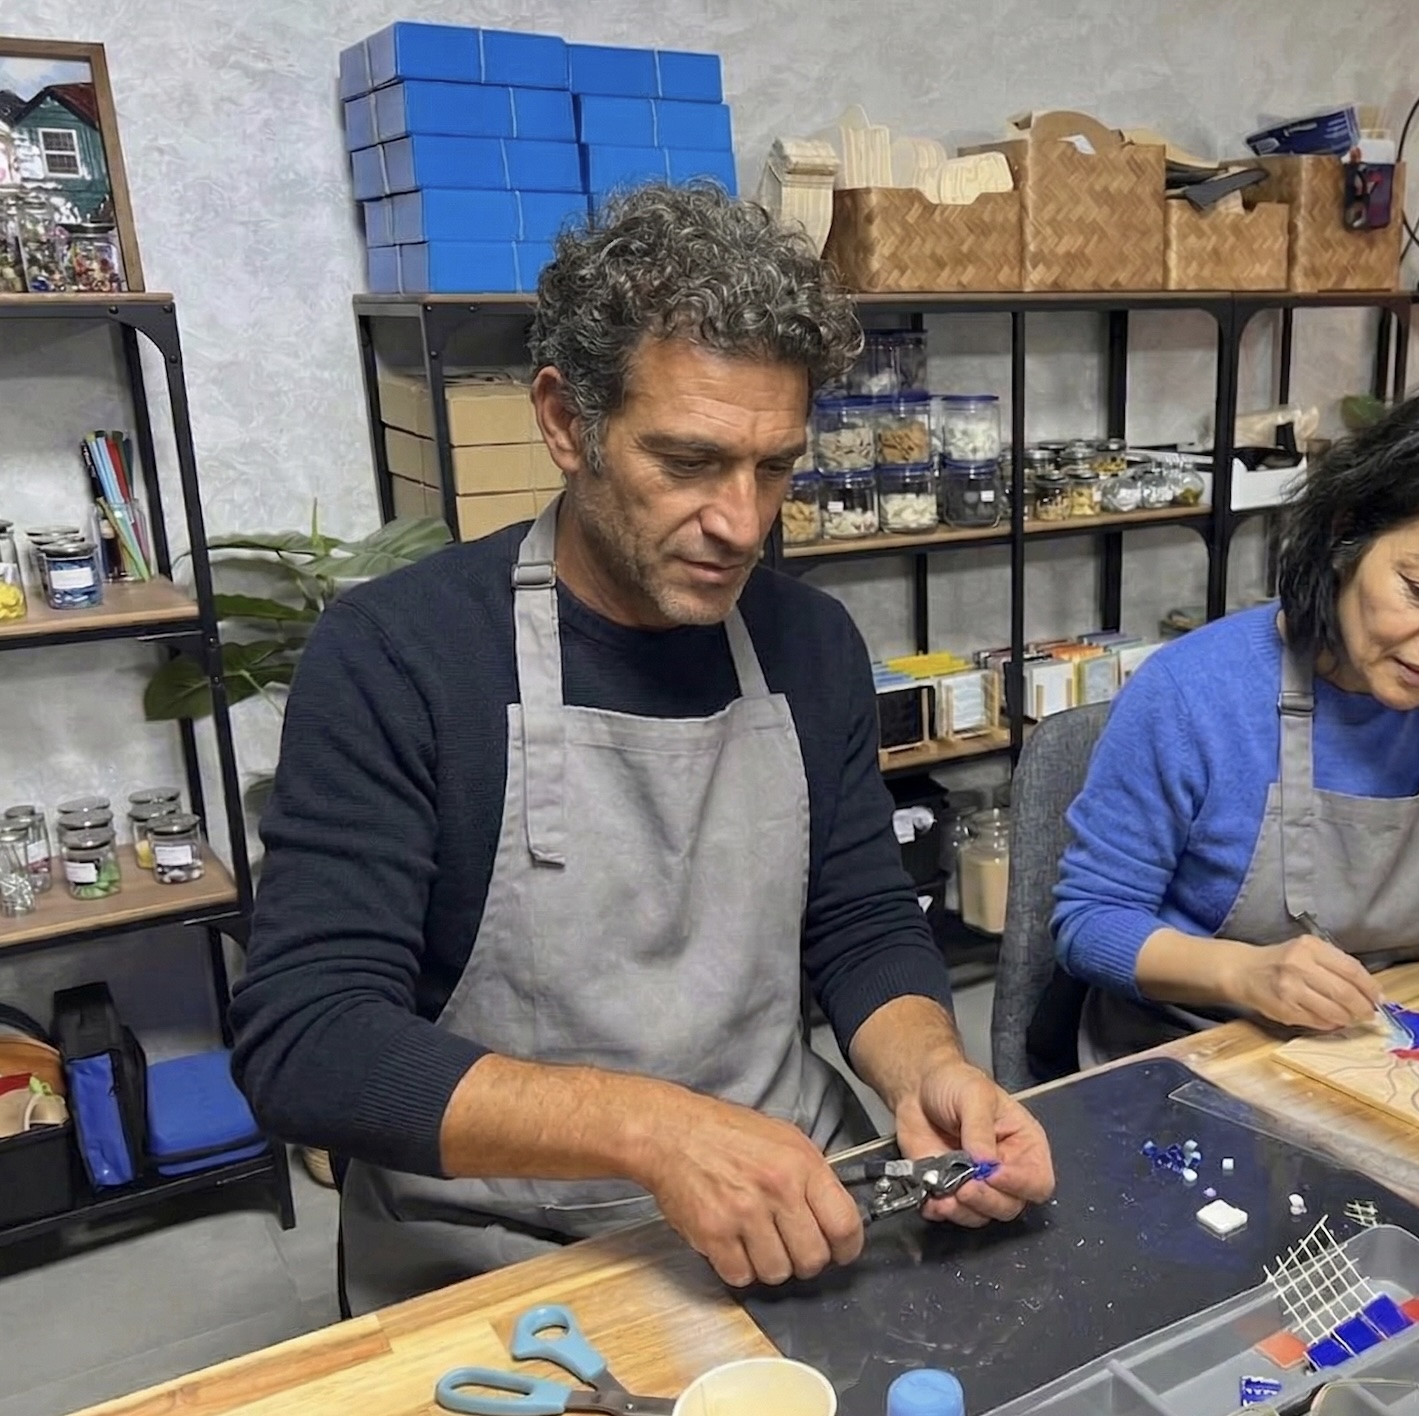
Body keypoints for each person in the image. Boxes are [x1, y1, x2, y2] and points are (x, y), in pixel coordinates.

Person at [230, 183, 1054, 1313]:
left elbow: (859, 919)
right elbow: (309, 1041)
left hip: (795, 1199)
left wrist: (930, 1069)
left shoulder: (808, 643)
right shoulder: (401, 656)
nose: (742, 523)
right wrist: (656, 1132)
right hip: (500, 1243)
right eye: (688, 461)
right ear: (566, 423)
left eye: (775, 466)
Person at [1052, 382, 1419, 1064]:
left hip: (1388, 1040)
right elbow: (1090, 922)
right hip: (1194, 1047)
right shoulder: (1190, 695)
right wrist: (1242, 973)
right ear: (1347, 536)